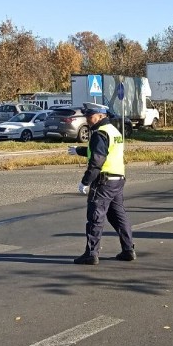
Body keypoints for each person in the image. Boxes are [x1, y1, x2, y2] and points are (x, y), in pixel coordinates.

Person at [72, 103, 135, 265]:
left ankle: (91, 254)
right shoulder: (114, 131)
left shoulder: (100, 133)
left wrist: (86, 181)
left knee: (95, 217)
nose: (87, 119)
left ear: (101, 116)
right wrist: (79, 150)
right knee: (119, 217)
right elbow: (101, 151)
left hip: (103, 182)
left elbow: (97, 159)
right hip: (118, 180)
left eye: (90, 116)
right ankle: (128, 250)